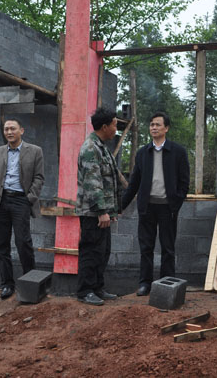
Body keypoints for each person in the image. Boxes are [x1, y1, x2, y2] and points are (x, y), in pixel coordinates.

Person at [122, 112, 190, 296]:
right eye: (151, 124)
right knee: (146, 248)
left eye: (158, 124)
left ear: (166, 128)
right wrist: (120, 206)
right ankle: (145, 283)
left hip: (168, 208)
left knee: (168, 248)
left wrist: (176, 202)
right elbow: (134, 183)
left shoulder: (178, 152)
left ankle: (167, 284)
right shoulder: (143, 153)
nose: (154, 127)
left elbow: (184, 182)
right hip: (147, 208)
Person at [0, 118, 45, 300]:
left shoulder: (35, 151)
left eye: (13, 129)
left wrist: (29, 198)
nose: (9, 132)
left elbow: (39, 178)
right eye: (6, 129)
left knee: (23, 243)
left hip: (21, 200)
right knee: (1, 245)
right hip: (0, 201)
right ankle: (7, 285)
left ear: (21, 130)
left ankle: (31, 285)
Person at [76, 107, 120, 305]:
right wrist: (101, 211)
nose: (116, 129)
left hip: (102, 211)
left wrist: (111, 210)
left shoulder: (101, 147)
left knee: (102, 251)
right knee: (91, 251)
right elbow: (93, 183)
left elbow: (108, 181)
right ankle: (85, 291)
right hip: (92, 212)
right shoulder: (90, 148)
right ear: (104, 127)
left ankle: (97, 288)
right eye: (114, 125)